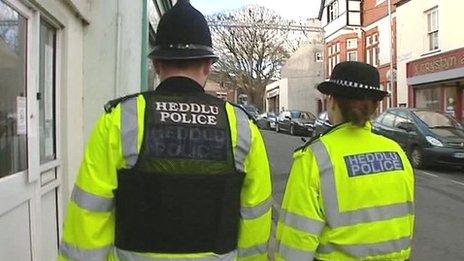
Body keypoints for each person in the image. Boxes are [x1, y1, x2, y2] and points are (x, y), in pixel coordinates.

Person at [58, 1, 272, 260]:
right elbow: (255, 219)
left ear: (157, 65)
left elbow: (88, 219)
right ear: (208, 65)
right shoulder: (242, 127)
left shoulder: (119, 121)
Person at [275, 61, 415, 260]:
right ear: (375, 106)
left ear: (332, 101)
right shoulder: (396, 153)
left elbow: (296, 240)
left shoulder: (315, 157)